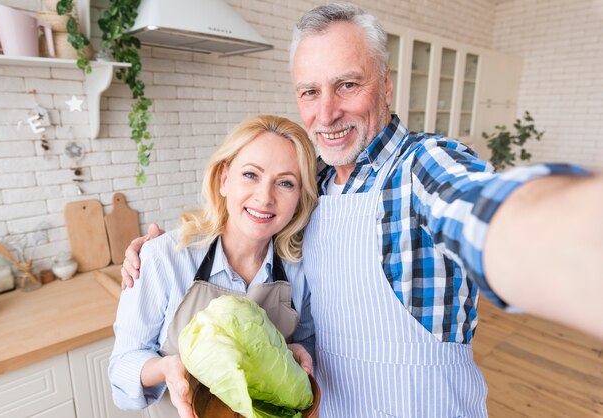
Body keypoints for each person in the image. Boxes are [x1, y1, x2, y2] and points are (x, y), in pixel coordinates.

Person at [121, 3, 603, 417]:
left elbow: (485, 209)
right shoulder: (315, 189)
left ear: (386, 87)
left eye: (347, 85)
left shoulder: (423, 166)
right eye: (310, 91)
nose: (326, 113)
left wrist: (567, 238)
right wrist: (155, 252)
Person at [109, 115, 318, 418]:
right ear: (224, 180)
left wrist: (301, 353)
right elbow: (120, 371)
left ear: (299, 198)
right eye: (251, 175)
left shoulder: (300, 268)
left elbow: (307, 341)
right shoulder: (164, 258)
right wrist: (166, 368)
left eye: (285, 183)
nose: (264, 197)